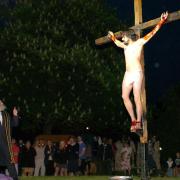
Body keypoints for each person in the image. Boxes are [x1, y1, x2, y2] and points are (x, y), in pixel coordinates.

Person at [108, 12, 168, 132]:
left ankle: (139, 122)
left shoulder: (139, 43)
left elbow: (151, 33)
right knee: (124, 96)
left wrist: (161, 22)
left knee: (136, 97)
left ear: (129, 36)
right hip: (128, 74)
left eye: (124, 36)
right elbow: (117, 42)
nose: (122, 38)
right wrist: (113, 37)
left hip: (137, 73)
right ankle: (133, 119)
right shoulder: (125, 47)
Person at [0, 100, 19, 180]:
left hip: (4, 142)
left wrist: (15, 116)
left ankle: (14, 178)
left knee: (9, 160)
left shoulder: (6, 115)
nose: (2, 104)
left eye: (2, 103)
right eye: (0, 103)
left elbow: (15, 124)